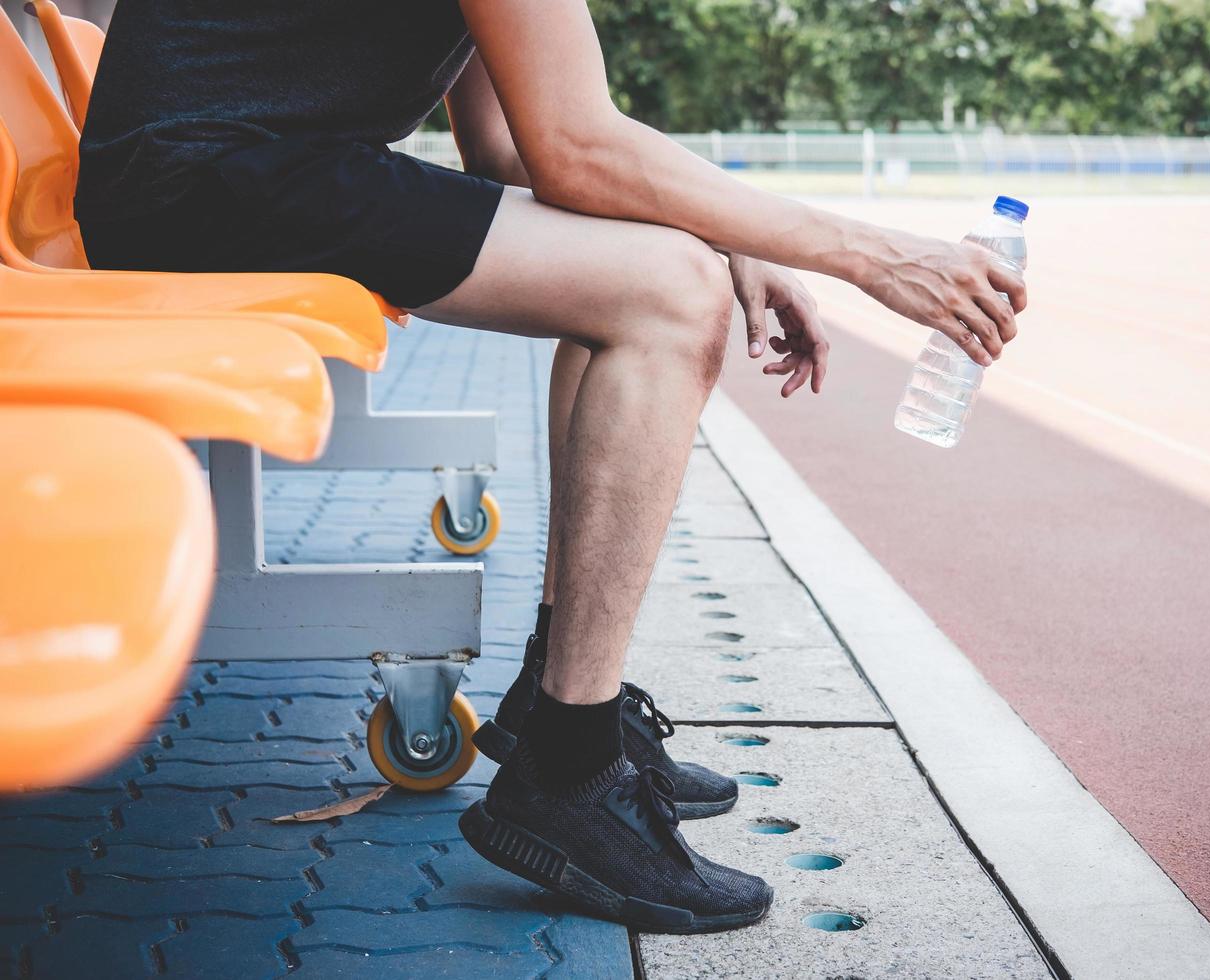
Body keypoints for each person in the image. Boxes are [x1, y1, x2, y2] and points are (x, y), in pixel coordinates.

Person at [75, 0, 1026, 934]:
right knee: (666, 295)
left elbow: (513, 148)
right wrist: (872, 255)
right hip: (201, 181)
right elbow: (577, 148)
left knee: (646, 271)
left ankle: (553, 707)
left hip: (222, 169)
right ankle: (568, 770)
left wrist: (728, 236)